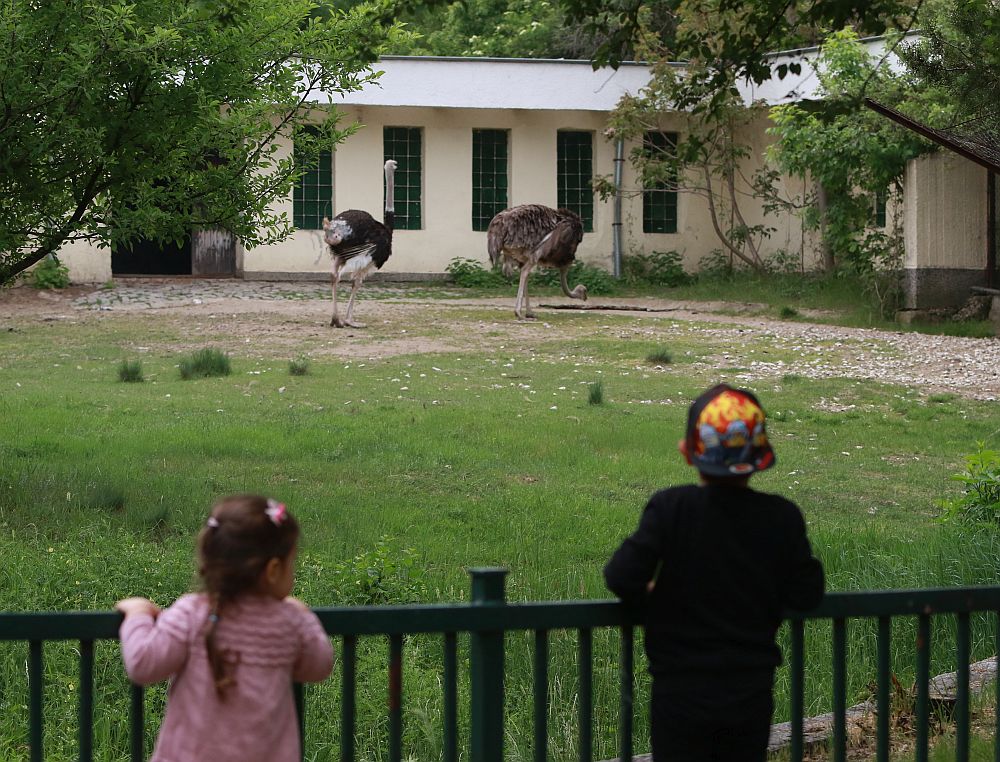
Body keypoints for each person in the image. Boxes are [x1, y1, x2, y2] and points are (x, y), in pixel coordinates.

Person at [604, 383, 824, 762]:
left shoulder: (671, 508)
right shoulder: (781, 516)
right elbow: (807, 592)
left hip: (679, 692)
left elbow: (621, 576)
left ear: (688, 452)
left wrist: (655, 596)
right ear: (759, 454)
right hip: (750, 693)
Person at [116, 495, 334, 762]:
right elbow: (320, 665)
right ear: (273, 570)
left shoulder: (191, 613)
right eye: (293, 562)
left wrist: (138, 614)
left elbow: (143, 664)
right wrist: (303, 613)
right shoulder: (289, 621)